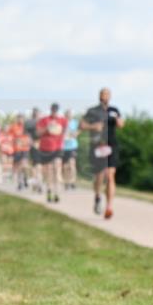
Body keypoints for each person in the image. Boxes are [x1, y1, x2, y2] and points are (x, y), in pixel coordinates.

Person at [80, 88, 124, 219]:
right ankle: (98, 196)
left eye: (107, 94)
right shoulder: (92, 111)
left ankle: (109, 207)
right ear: (99, 96)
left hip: (111, 145)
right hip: (97, 145)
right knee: (99, 175)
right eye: (103, 94)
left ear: (110, 96)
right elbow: (82, 125)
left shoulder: (114, 110)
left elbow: (121, 124)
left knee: (110, 175)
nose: (105, 96)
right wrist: (93, 127)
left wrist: (119, 121)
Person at [37, 103, 68, 203]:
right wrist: (47, 128)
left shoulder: (62, 120)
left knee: (57, 169)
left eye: (56, 110)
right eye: (53, 109)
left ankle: (57, 193)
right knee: (49, 171)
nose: (54, 111)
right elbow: (38, 133)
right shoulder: (44, 120)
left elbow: (65, 132)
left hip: (58, 148)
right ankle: (49, 191)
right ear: (50, 109)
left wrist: (59, 131)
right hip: (45, 148)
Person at [9, 114, 31, 190]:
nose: (20, 120)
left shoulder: (27, 127)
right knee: (19, 166)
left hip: (25, 149)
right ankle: (20, 183)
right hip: (17, 149)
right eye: (19, 119)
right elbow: (9, 137)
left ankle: (25, 178)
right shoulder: (13, 127)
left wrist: (27, 142)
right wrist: (15, 140)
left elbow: (30, 138)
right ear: (17, 119)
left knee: (24, 165)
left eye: (22, 119)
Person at [24, 107, 42, 193]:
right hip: (33, 146)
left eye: (37, 113)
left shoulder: (43, 122)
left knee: (39, 166)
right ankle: (37, 184)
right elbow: (26, 134)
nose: (36, 114)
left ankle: (37, 184)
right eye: (35, 112)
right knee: (36, 166)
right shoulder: (28, 122)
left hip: (43, 146)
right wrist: (32, 142)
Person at [61, 108, 79, 190]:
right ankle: (66, 182)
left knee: (72, 164)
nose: (69, 116)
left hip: (73, 146)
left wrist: (75, 134)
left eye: (70, 114)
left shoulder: (75, 122)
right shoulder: (62, 122)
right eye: (67, 114)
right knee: (65, 166)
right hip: (63, 147)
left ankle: (72, 181)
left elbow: (79, 131)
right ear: (65, 115)